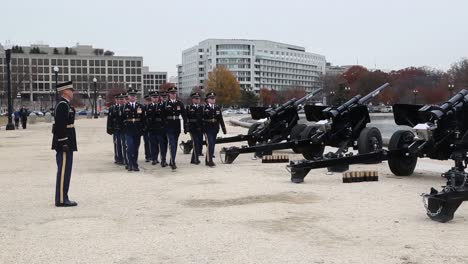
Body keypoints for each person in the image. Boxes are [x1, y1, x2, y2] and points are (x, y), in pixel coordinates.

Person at [51, 81, 77, 207]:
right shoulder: (62, 105)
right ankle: (61, 199)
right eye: (71, 90)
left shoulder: (65, 104)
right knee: (63, 172)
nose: (73, 92)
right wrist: (63, 142)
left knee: (66, 171)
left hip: (67, 141)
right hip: (64, 143)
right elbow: (60, 126)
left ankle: (63, 196)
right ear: (65, 91)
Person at [161, 87, 187, 170]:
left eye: (175, 93)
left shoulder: (179, 103)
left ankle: (172, 159)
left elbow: (184, 115)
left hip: (176, 125)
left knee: (175, 144)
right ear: (169, 94)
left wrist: (186, 126)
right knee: (172, 143)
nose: (174, 94)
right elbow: (162, 116)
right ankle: (173, 162)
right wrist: (163, 126)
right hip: (168, 126)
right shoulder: (165, 104)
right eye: (172, 93)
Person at [121, 89, 145, 172]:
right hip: (128, 130)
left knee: (135, 148)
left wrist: (143, 129)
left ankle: (135, 164)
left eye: (134, 96)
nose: (132, 97)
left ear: (136, 97)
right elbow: (121, 120)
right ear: (128, 97)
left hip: (137, 130)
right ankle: (130, 164)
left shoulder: (140, 106)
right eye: (131, 96)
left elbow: (143, 119)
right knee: (130, 147)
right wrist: (123, 130)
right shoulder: (124, 107)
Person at [202, 92, 226, 167]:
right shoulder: (204, 108)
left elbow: (220, 118)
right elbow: (201, 119)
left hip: (215, 128)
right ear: (207, 100)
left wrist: (223, 128)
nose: (213, 100)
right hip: (207, 128)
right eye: (211, 98)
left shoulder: (217, 107)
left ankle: (207, 160)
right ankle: (210, 161)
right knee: (210, 144)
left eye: (214, 98)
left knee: (212, 144)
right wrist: (201, 128)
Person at [186, 92, 204, 164]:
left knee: (199, 143)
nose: (197, 100)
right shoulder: (189, 108)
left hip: (200, 128)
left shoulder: (202, 108)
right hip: (192, 128)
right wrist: (187, 127)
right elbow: (186, 118)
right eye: (196, 98)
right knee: (195, 143)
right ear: (192, 99)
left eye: (198, 99)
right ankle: (196, 159)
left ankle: (193, 159)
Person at [142, 95, 153, 162]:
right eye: (147, 101)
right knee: (146, 142)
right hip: (145, 127)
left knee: (152, 142)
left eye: (149, 101)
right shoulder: (143, 108)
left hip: (151, 127)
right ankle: (148, 156)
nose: (148, 102)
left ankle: (152, 155)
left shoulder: (152, 107)